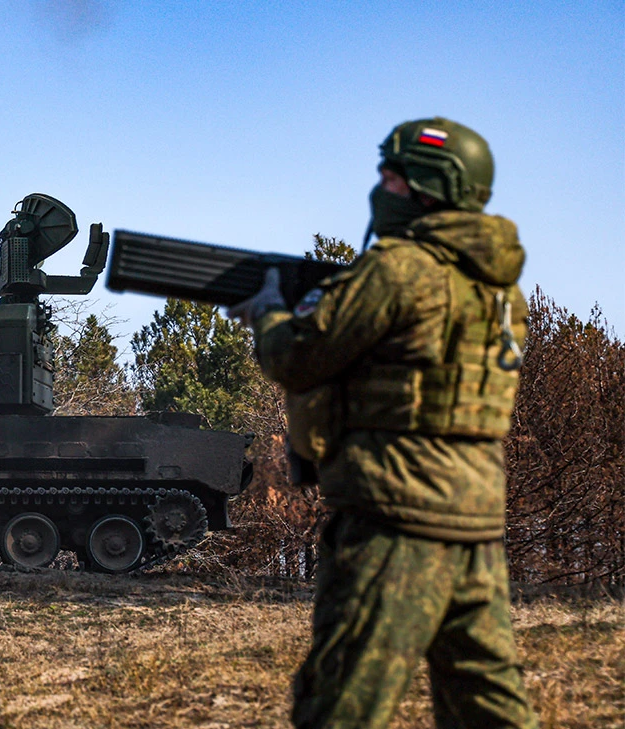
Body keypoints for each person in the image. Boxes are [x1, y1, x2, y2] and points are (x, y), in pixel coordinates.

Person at [230, 117, 538, 728]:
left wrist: (267, 316)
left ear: (431, 188)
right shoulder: (504, 293)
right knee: (488, 705)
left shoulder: (399, 270)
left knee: (342, 703)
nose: (380, 188)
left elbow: (299, 358)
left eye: (392, 178)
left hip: (395, 517)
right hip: (474, 521)